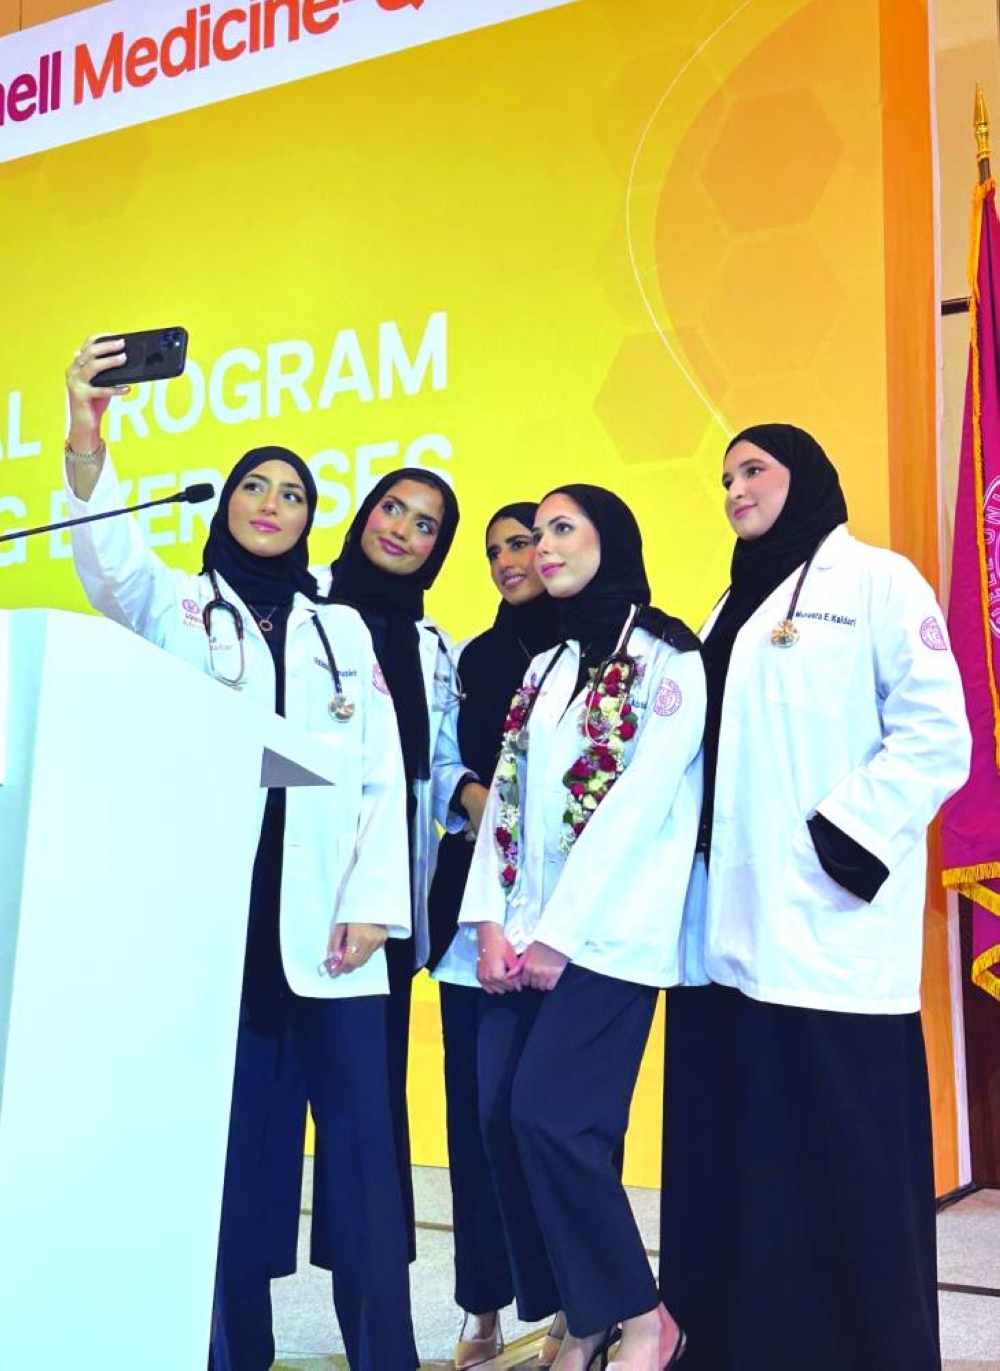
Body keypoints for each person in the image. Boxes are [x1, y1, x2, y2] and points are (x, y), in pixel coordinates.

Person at [62, 334, 418, 1371]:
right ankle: (233, 1353)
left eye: (294, 493)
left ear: (312, 521)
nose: (271, 502)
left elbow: (379, 779)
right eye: (255, 486)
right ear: (226, 507)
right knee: (228, 1166)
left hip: (333, 937)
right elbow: (106, 554)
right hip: (219, 936)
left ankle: (383, 1355)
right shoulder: (171, 604)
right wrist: (89, 432)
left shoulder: (340, 629)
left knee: (359, 1166)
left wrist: (374, 905)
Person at [661, 424, 972, 1371]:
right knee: (746, 1166)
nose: (735, 488)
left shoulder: (878, 582)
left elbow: (936, 732)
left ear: (807, 477)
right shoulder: (724, 605)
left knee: (845, 1164)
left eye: (753, 468)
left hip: (829, 927)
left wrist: (844, 836)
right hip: (724, 934)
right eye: (723, 476)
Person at [458, 485, 704, 1371]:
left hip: (609, 939)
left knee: (555, 1120)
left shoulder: (672, 658)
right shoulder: (547, 667)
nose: (542, 546)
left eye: (563, 529)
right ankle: (583, 1312)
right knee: (498, 1118)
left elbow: (635, 808)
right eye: (536, 533)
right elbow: (508, 805)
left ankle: (645, 1319)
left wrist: (559, 931)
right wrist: (489, 919)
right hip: (522, 933)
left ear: (614, 539)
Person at [309, 468, 473, 1274]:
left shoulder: (430, 645)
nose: (402, 529)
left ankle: (366, 1278)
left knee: (370, 1099)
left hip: (387, 902)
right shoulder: (303, 603)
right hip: (293, 877)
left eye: (426, 525)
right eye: (392, 508)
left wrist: (477, 792)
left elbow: (434, 767)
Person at [431, 502, 561, 1368]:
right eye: (495, 550)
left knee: (553, 1124)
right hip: (473, 923)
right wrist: (485, 804)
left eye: (523, 542)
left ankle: (566, 1306)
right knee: (474, 1123)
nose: (511, 559)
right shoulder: (474, 658)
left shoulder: (609, 650)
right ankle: (482, 1304)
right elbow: (448, 762)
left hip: (564, 930)